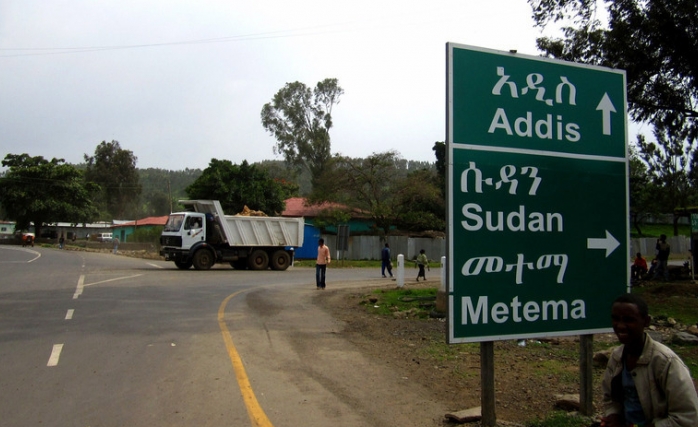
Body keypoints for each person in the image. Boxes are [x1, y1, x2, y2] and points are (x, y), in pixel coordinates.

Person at [601, 293, 698, 427]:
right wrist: (614, 416)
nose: (621, 326)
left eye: (629, 320)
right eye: (616, 319)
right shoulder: (617, 357)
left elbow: (687, 417)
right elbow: (610, 399)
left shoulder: (665, 362)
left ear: (646, 321)